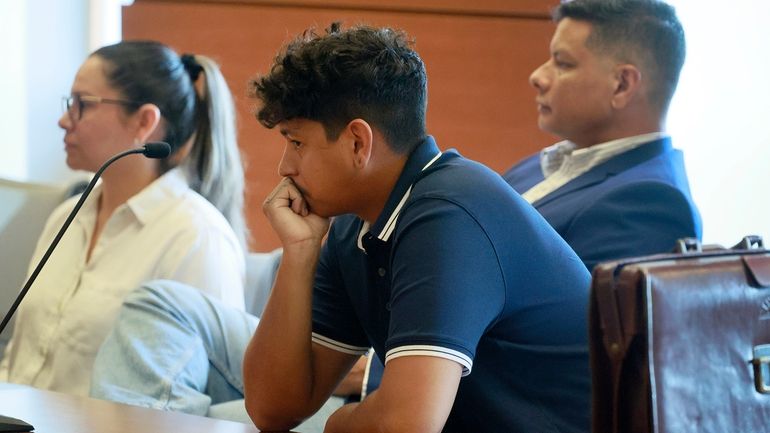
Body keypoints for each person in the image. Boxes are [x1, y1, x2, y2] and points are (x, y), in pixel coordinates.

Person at [89, 23, 592, 432]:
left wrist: (340, 425)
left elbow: (405, 426)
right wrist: (300, 255)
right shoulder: (358, 225)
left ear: (357, 143)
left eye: (297, 142)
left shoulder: (449, 212)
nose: (285, 166)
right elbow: (275, 409)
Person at [356, 0, 704, 400]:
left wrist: (375, 372)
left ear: (622, 85)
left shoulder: (650, 203)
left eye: (563, 63)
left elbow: (552, 356)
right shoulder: (537, 166)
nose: (538, 76)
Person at [0, 40, 248, 397]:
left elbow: (210, 393)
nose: (63, 119)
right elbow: (17, 361)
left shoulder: (196, 237)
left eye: (82, 104)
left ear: (145, 121)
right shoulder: (65, 217)